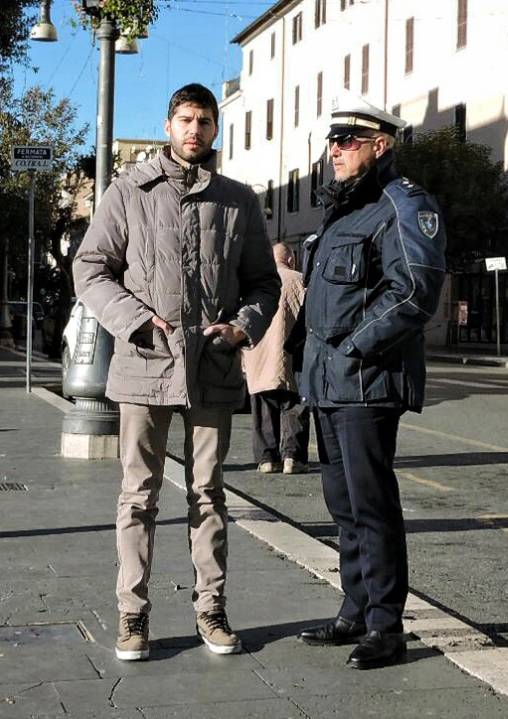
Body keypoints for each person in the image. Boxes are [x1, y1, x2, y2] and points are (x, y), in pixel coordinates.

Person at [73, 83, 280, 661]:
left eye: (205, 122)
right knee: (137, 495)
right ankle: (131, 616)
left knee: (209, 494)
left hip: (211, 368)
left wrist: (242, 327)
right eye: (185, 120)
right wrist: (136, 323)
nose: (195, 131)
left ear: (217, 130)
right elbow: (90, 269)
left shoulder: (239, 200)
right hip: (144, 366)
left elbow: (264, 281)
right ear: (168, 125)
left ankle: (211, 611)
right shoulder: (128, 190)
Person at [293, 96, 446, 669]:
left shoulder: (402, 204)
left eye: (347, 140)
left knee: (372, 505)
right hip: (327, 383)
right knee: (343, 505)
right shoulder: (343, 211)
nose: (334, 149)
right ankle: (354, 609)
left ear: (379, 145)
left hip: (368, 381)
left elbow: (414, 290)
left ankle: (387, 626)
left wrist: (356, 347)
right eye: (331, 140)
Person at [243, 243, 309, 475]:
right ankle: (293, 457)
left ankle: (267, 458)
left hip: (259, 357)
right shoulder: (300, 280)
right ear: (291, 260)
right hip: (293, 355)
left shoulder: (256, 283)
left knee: (263, 408)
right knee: (294, 406)